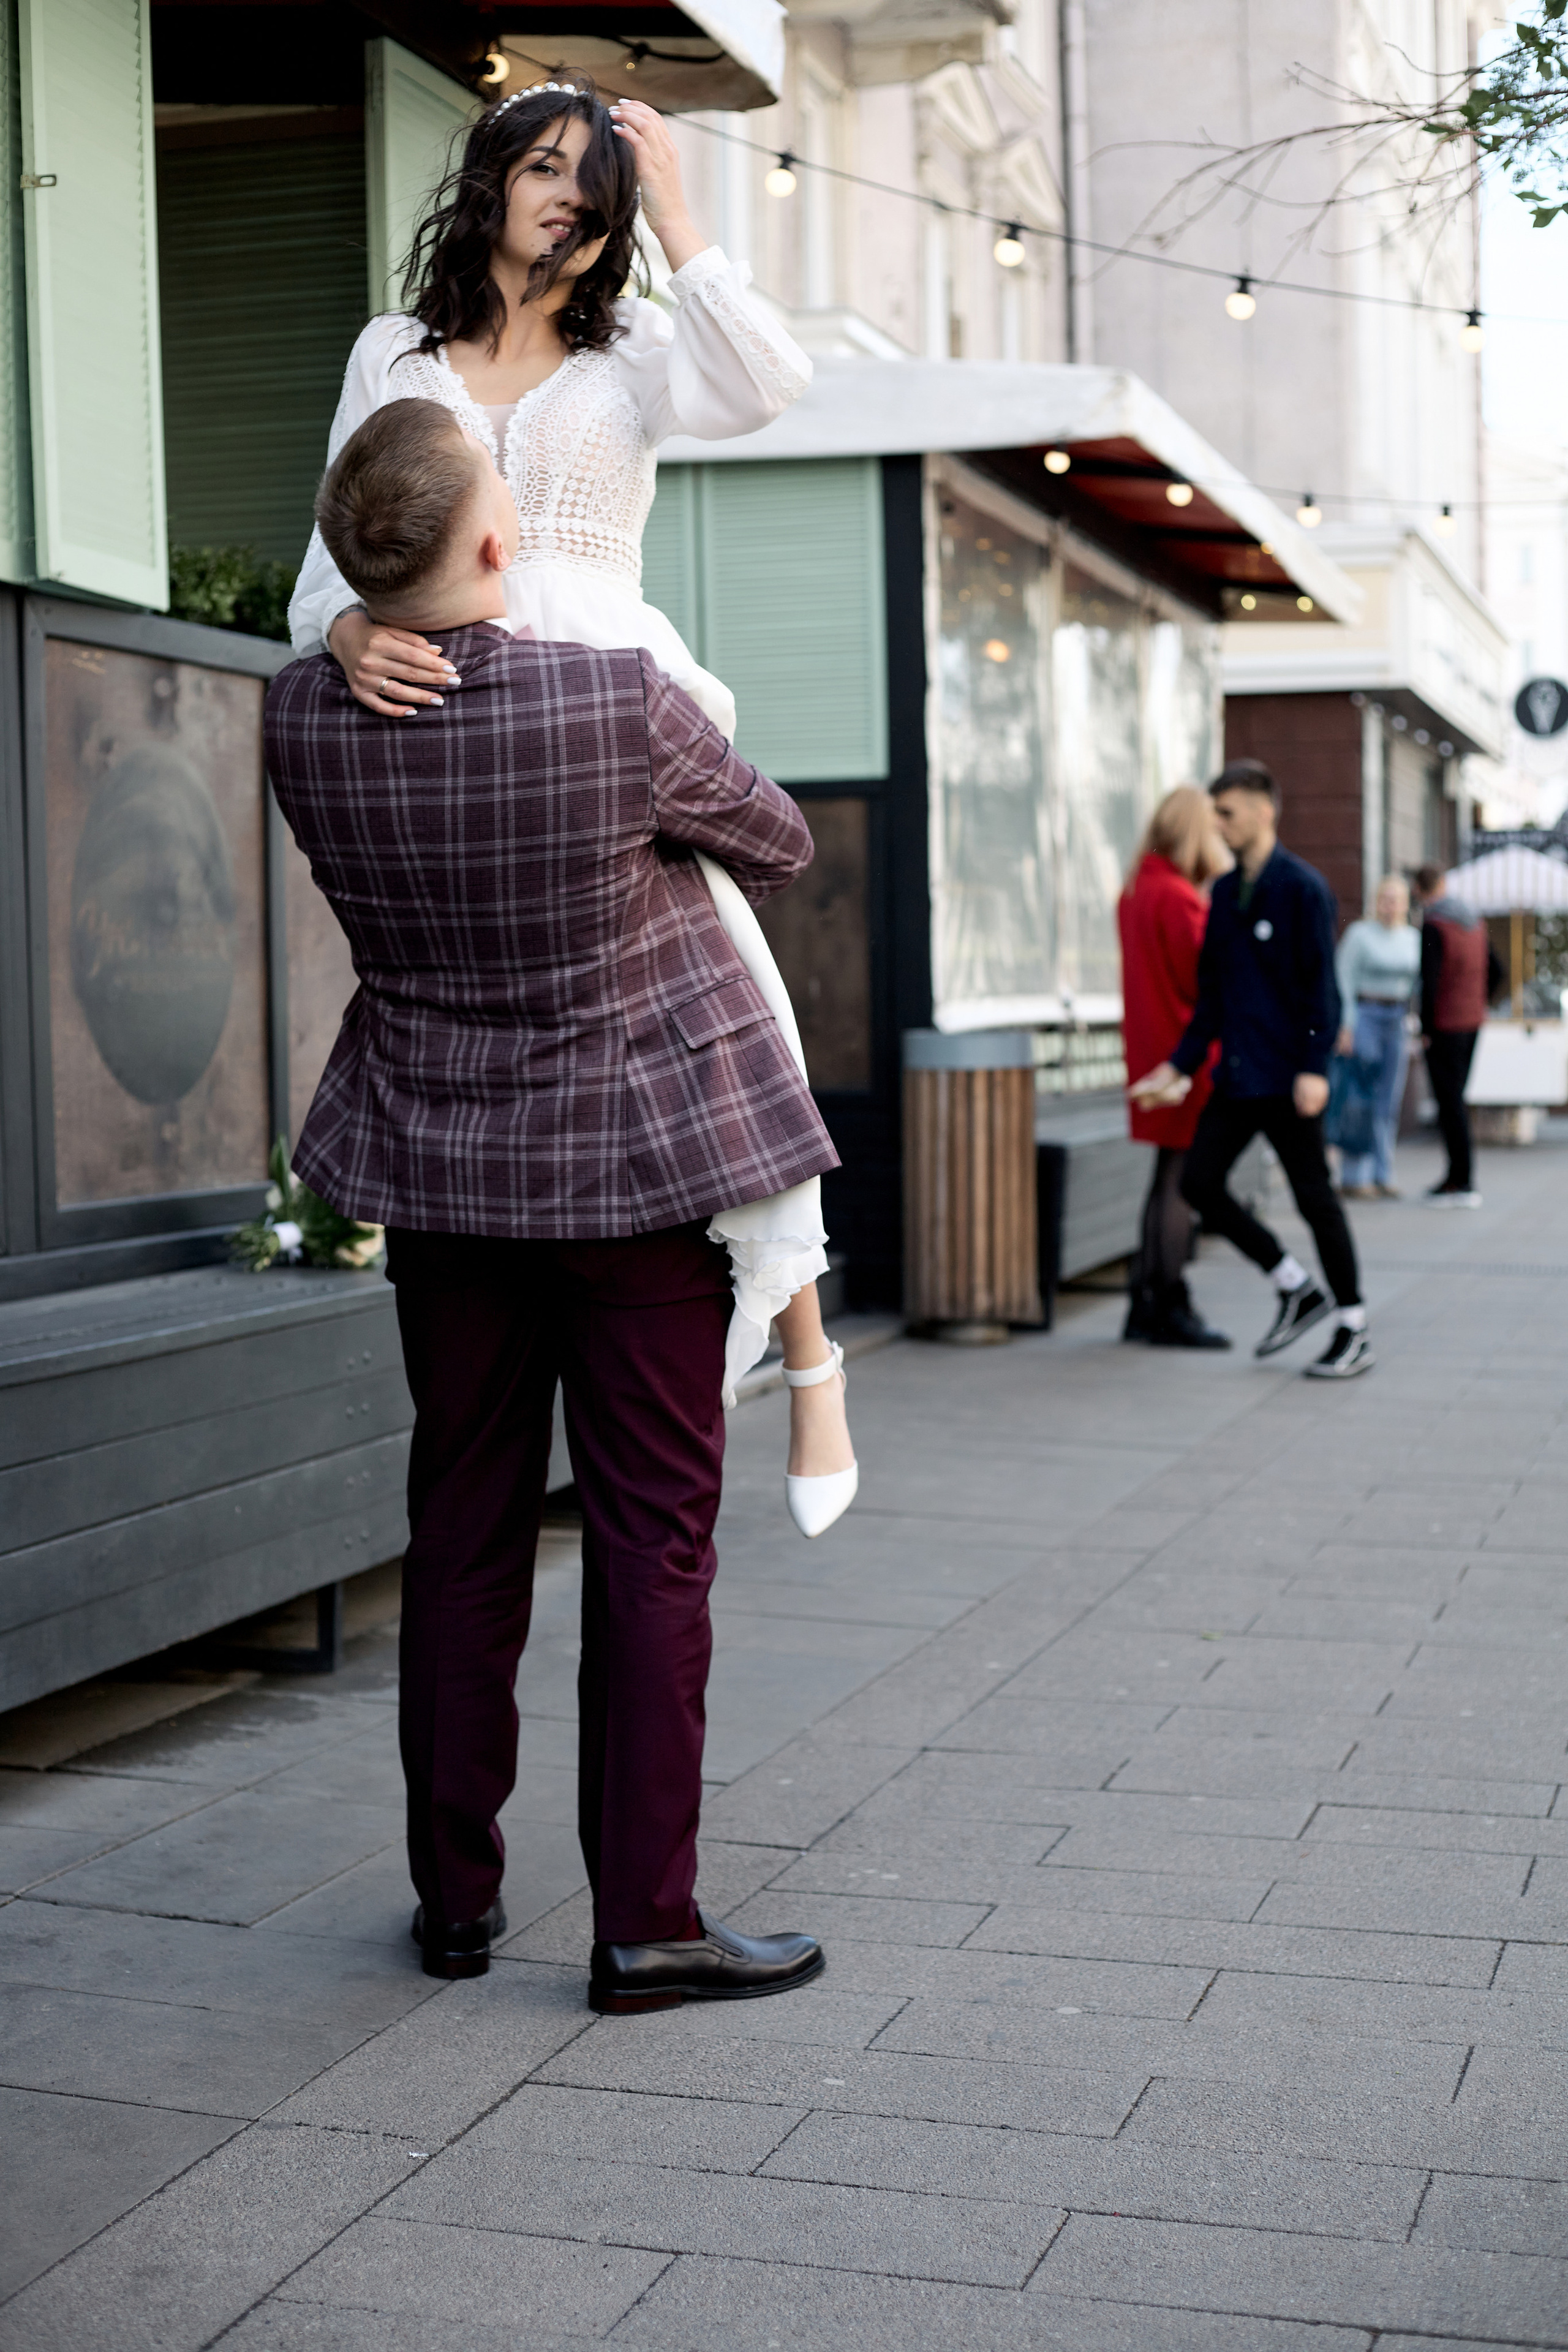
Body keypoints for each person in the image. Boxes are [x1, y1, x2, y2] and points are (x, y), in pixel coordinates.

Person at [267, 396, 839, 2010]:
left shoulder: (302, 719)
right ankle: (646, 1920)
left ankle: (455, 1904)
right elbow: (779, 841)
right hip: (636, 1177)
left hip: (442, 1182)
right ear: (502, 542)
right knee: (654, 1539)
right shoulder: (615, 697)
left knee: (458, 1532)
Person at [288, 76, 854, 1536]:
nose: (563, 200)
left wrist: (676, 208)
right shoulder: (389, 353)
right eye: (543, 168)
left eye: (587, 192)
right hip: (452, 720)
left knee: (741, 1006)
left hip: (614, 720)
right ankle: (741, 1320)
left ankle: (804, 1339)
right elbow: (323, 570)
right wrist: (348, 635)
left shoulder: (639, 355)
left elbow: (772, 380)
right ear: (488, 174)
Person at [1128, 758, 1373, 1379]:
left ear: (1264, 811)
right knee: (1199, 1184)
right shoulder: (1226, 896)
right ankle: (1295, 1286)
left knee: (1315, 1199)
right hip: (1238, 1079)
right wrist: (1176, 1068)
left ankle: (1352, 1328)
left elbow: (1322, 990)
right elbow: (1212, 999)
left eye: (1228, 813)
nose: (1219, 824)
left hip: (1288, 1080)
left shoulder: (1301, 889)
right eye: (1214, 814)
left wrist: (1314, 1067)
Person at [1118, 786, 1231, 1348]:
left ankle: (1145, 1302)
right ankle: (1169, 1303)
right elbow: (1205, 984)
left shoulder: (1137, 889)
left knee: (1165, 1179)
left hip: (1152, 1054)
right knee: (1179, 1183)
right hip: (1185, 1059)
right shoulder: (1181, 898)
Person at [1412, 862, 1504, 1208]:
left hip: (1446, 1025)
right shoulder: (1473, 921)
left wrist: (1425, 1028)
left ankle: (1462, 1182)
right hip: (1471, 1022)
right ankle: (1456, 1177)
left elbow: (1429, 982)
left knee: (1449, 1104)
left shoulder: (1436, 924)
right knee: (1455, 1102)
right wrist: (1479, 1001)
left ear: (1421, 890)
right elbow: (1499, 970)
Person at [1333, 874, 1420, 1199]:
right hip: (1365, 1015)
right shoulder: (1359, 935)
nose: (1390, 905)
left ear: (1405, 904)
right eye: (1385, 898)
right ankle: (1355, 1176)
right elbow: (1344, 979)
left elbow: (1416, 984)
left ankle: (1384, 1172)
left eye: (1396, 899)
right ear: (1376, 901)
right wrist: (1346, 1025)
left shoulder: (1411, 938)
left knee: (1389, 1099)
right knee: (1359, 1095)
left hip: (1396, 1018)